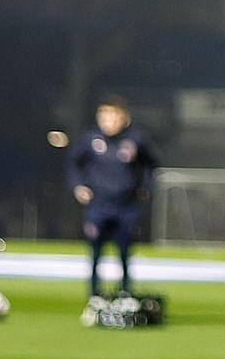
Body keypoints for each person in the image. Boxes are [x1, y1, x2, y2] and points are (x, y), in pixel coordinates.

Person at [66, 95, 159, 297]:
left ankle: (125, 294)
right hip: (97, 206)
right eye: (104, 115)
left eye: (112, 115)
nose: (108, 121)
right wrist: (78, 186)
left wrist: (145, 187)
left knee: (124, 253)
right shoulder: (90, 139)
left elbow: (152, 164)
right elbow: (73, 163)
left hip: (126, 207)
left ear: (124, 117)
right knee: (95, 253)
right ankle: (94, 296)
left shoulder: (135, 139)